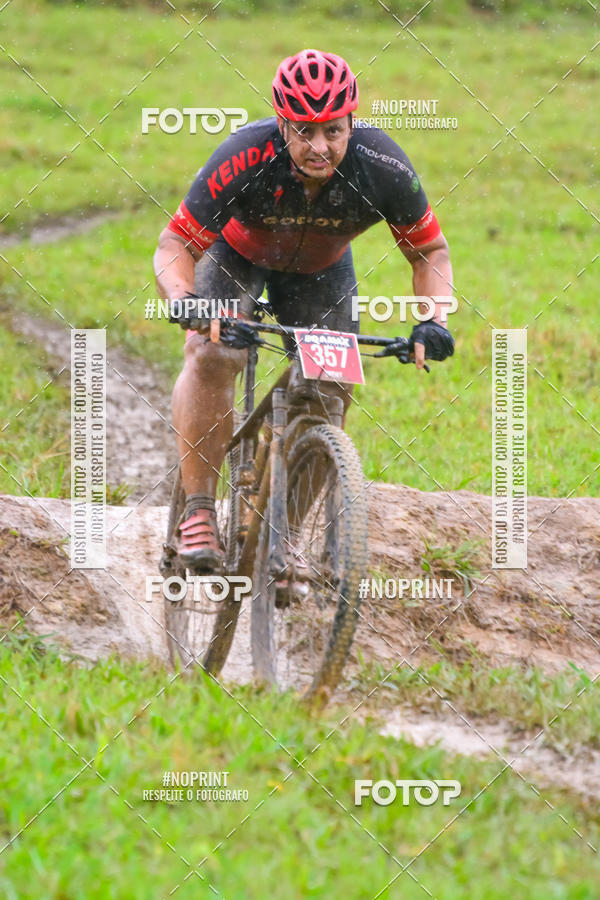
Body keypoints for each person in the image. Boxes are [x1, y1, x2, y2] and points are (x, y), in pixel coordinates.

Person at [153, 48, 455, 572]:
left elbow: (428, 251)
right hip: (237, 256)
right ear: (281, 123)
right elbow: (175, 243)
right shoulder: (243, 155)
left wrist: (434, 320)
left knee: (330, 387)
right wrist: (186, 302)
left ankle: (284, 537)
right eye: (303, 131)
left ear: (351, 122)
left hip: (321, 271)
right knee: (213, 355)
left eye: (333, 131)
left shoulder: (382, 166)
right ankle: (199, 510)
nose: (320, 146)